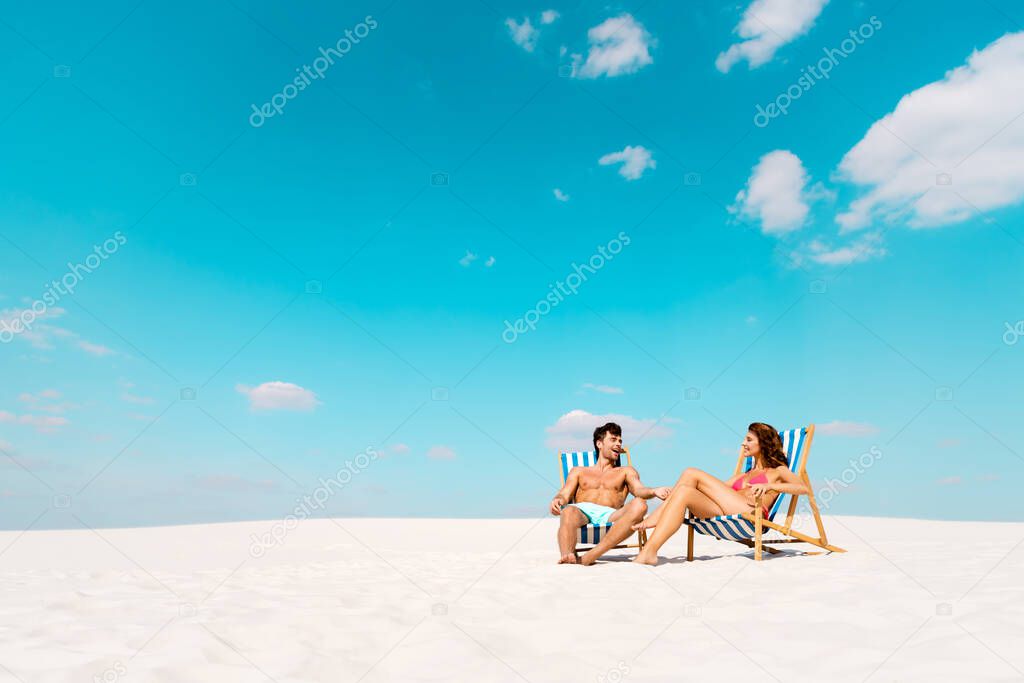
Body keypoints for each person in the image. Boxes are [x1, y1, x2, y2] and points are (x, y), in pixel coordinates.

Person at [632, 422, 808, 565]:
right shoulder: (742, 475)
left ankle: (655, 517)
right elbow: (712, 491)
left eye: (748, 440)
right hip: (728, 511)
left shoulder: (777, 471)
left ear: (762, 443)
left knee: (691, 472)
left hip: (751, 514)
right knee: (685, 490)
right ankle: (650, 552)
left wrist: (770, 486)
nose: (743, 444)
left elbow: (803, 488)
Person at [551, 422, 670, 565]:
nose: (619, 444)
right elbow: (564, 494)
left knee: (640, 504)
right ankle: (568, 556)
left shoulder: (626, 471)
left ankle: (593, 554)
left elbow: (639, 490)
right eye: (613, 440)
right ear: (599, 444)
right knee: (568, 511)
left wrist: (653, 491)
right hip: (582, 513)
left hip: (611, 516)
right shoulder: (579, 471)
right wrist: (558, 500)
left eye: (620, 441)